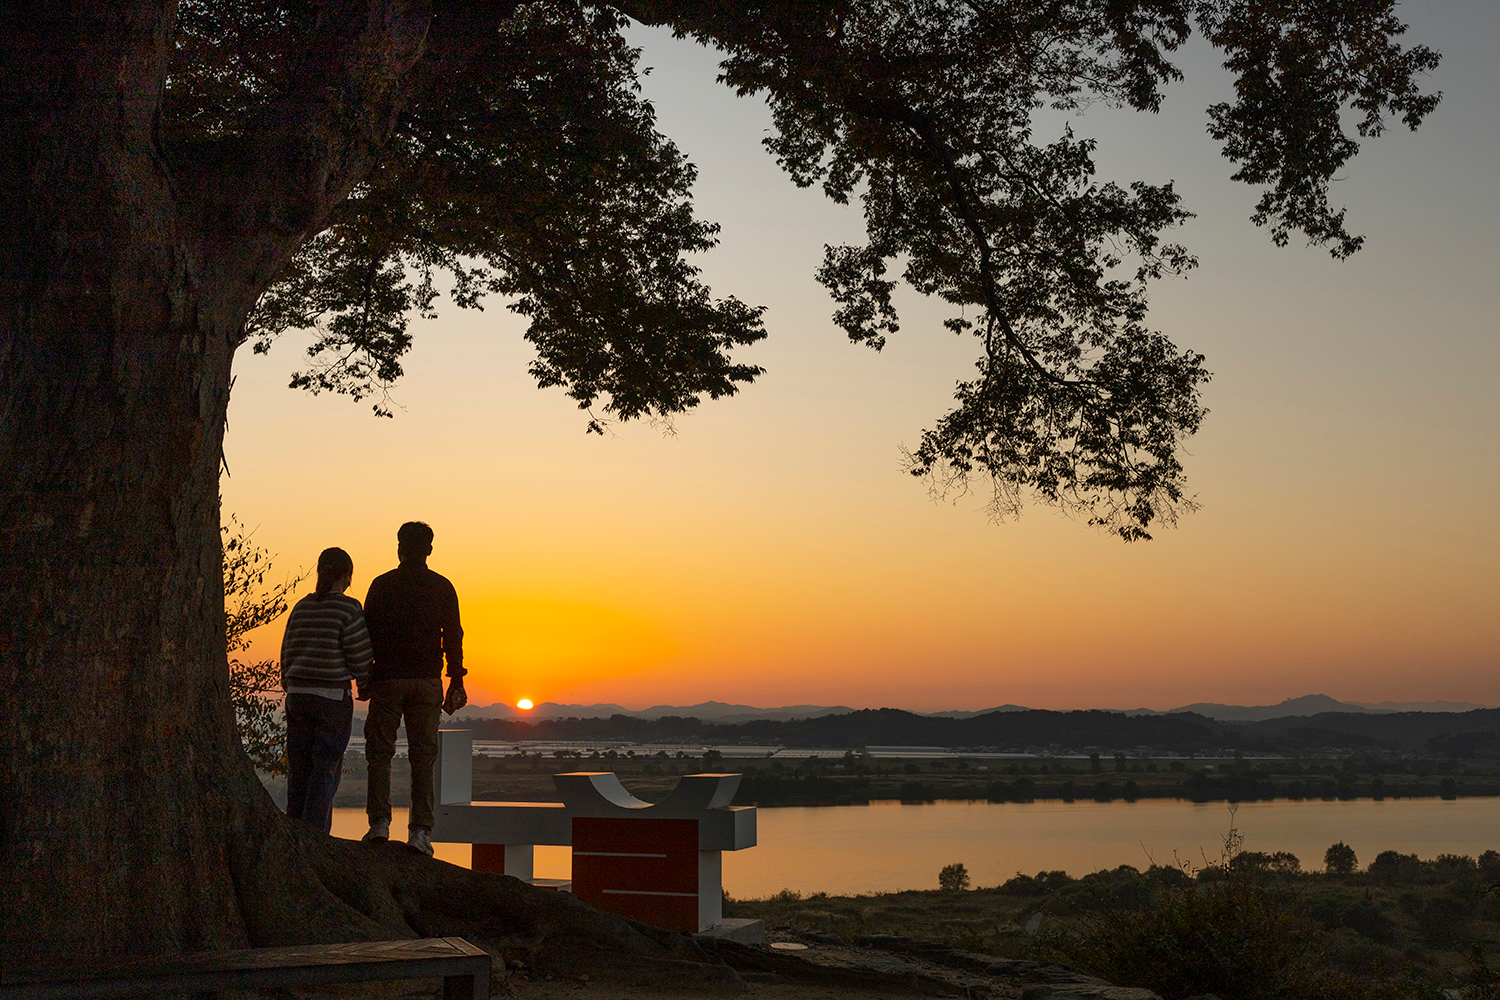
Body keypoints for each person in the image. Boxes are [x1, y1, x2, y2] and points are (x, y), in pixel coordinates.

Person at [361, 521, 466, 855]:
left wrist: (365, 678)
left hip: (387, 679)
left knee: (379, 753)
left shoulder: (381, 585)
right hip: (426, 681)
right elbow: (453, 636)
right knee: (423, 757)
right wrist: (457, 680)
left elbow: (367, 635)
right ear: (430, 549)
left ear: (399, 547)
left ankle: (379, 825)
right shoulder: (442, 587)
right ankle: (420, 831)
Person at [279, 546, 373, 834]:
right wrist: (365, 684)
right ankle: (315, 836)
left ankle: (295, 828)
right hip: (331, 698)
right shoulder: (348, 607)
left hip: (297, 695)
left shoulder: (301, 607)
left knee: (299, 768)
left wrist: (290, 683)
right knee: (325, 768)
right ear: (346, 575)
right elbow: (359, 655)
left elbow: (286, 650)